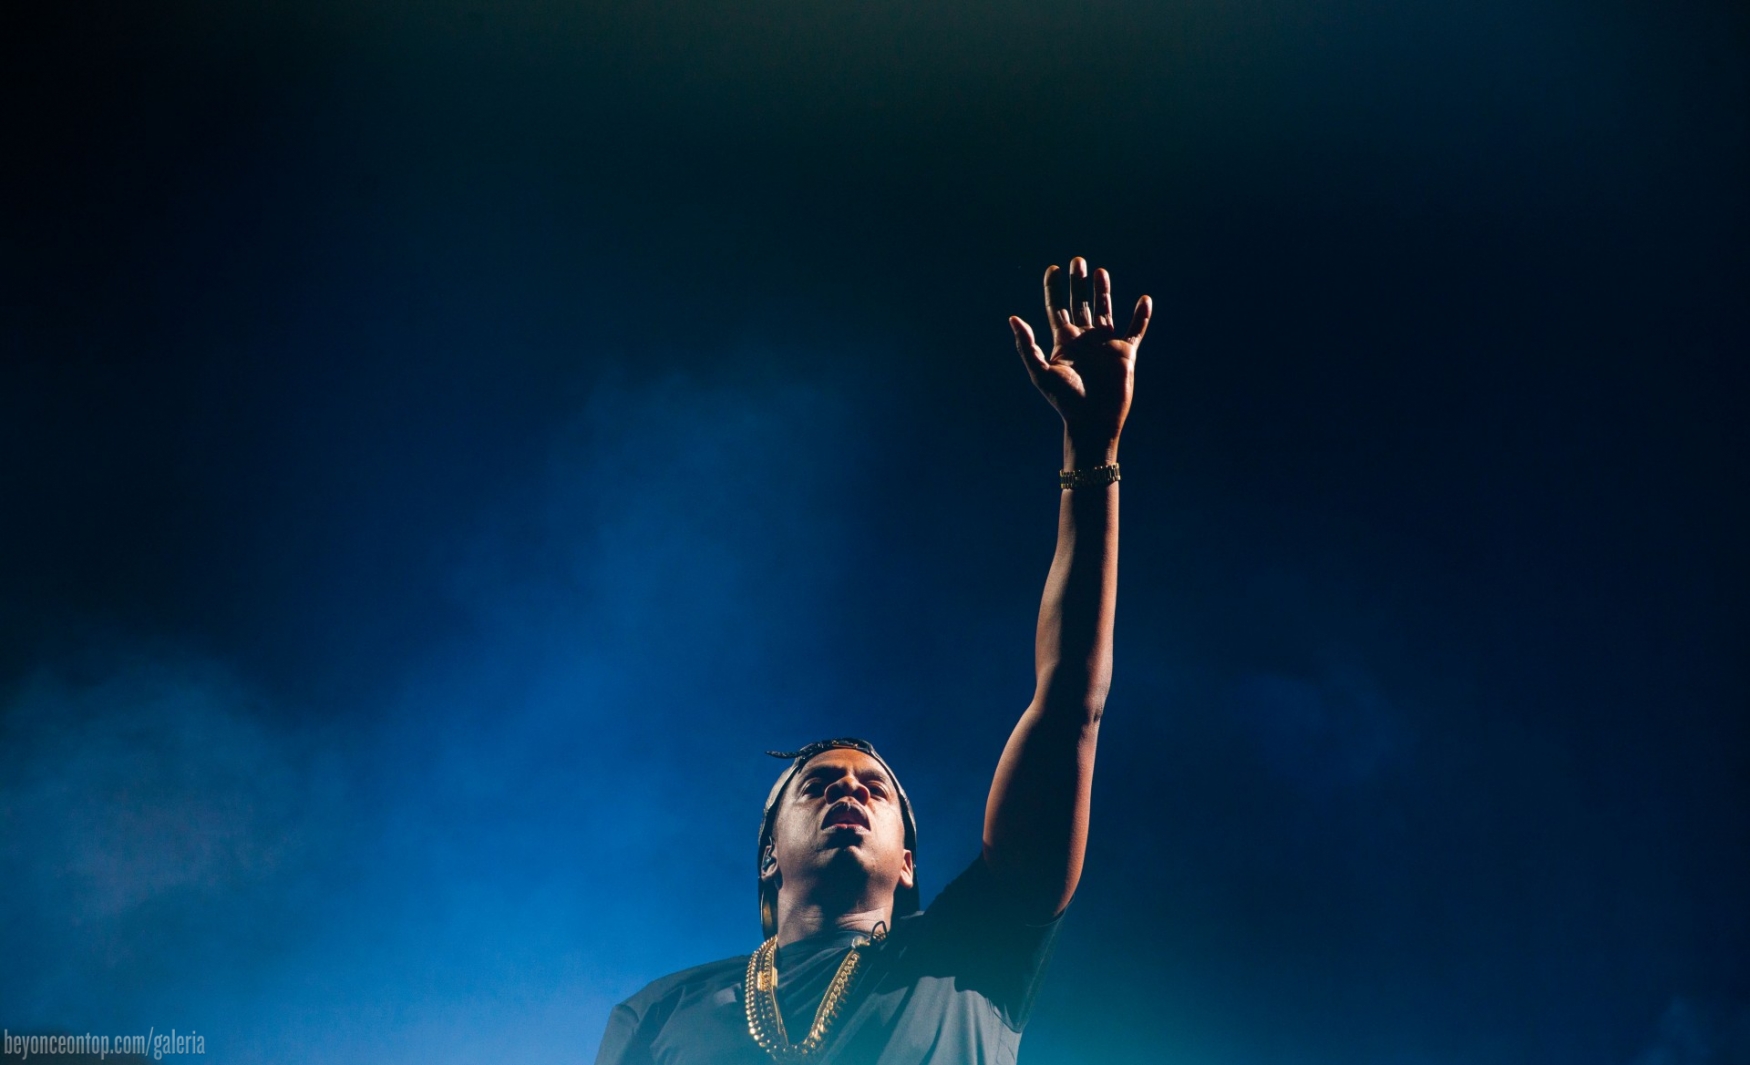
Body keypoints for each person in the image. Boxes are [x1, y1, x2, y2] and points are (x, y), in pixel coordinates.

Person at [593, 257, 1151, 1065]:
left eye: (874, 785)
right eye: (818, 784)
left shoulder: (972, 957)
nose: (849, 788)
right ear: (767, 853)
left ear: (910, 859)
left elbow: (1069, 702)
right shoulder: (661, 1011)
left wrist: (1093, 453)